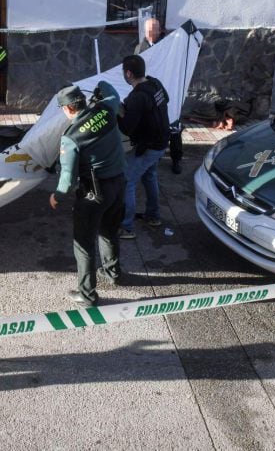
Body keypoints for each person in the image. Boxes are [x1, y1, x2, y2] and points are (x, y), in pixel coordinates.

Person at [48, 82, 126, 307]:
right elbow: (112, 92)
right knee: (109, 231)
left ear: (68, 109)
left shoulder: (71, 137)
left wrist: (57, 196)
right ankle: (113, 272)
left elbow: (68, 178)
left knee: (83, 244)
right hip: (119, 183)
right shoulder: (106, 110)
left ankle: (87, 295)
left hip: (94, 193)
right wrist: (100, 85)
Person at [117, 55, 169, 239]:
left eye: (124, 72)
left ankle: (127, 227)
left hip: (149, 146)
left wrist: (119, 112)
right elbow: (166, 100)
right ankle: (153, 216)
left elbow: (127, 128)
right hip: (162, 141)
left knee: (127, 181)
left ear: (129, 73)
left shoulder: (138, 97)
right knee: (149, 175)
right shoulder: (155, 84)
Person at [134, 16, 184, 175]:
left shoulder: (168, 45)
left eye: (153, 29)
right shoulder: (139, 48)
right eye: (147, 29)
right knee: (152, 125)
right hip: (150, 94)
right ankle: (151, 155)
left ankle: (176, 159)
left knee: (174, 126)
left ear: (159, 30)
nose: (150, 32)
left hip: (167, 91)